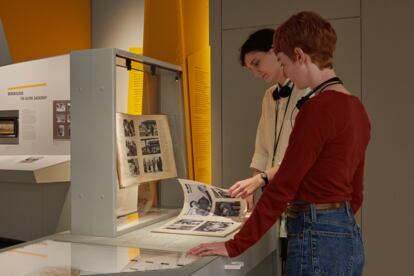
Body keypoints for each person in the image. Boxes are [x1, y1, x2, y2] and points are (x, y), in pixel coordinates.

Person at [188, 11, 370, 276]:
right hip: (347, 234)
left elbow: (284, 184)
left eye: (284, 62)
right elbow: (357, 191)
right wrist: (334, 223)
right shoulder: (357, 108)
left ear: (300, 55)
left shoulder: (316, 109)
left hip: (314, 235)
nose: (283, 71)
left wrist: (235, 245)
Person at [238, 28, 309, 274]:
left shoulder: (308, 91)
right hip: (276, 206)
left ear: (275, 50)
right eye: (251, 69)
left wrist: (261, 178)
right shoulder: (269, 96)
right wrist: (251, 186)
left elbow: (302, 156)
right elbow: (263, 147)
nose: (257, 73)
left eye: (257, 63)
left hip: (305, 206)